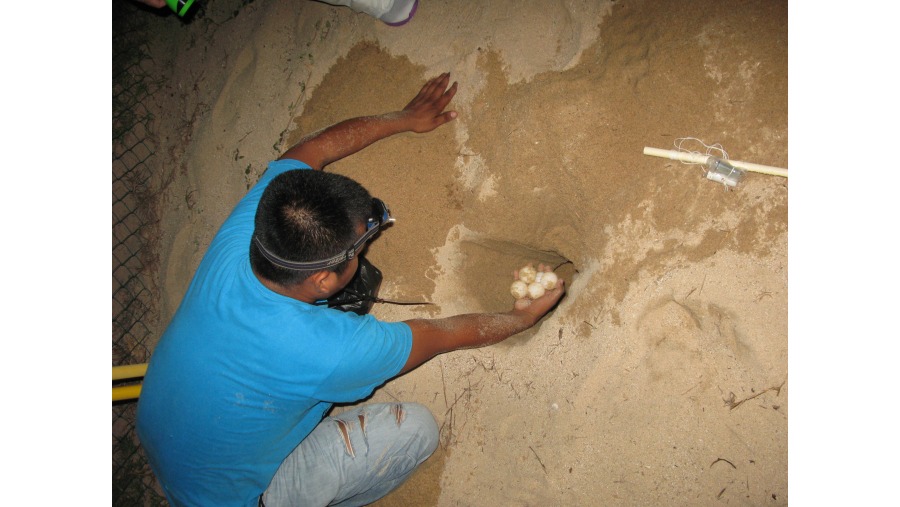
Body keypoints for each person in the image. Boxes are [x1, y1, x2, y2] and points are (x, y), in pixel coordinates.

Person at [135, 73, 565, 507]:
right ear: (322, 278)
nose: (367, 245)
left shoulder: (261, 221)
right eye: (360, 245)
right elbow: (442, 335)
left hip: (168, 438)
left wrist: (405, 118)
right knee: (416, 429)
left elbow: (312, 149)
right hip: (228, 500)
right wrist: (520, 318)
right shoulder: (330, 349)